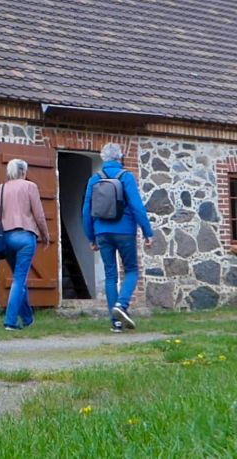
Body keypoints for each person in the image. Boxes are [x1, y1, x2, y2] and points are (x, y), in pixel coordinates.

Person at [81, 143, 154, 333]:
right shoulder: (126, 177)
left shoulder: (94, 179)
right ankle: (121, 306)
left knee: (110, 275)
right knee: (131, 270)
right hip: (124, 231)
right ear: (119, 157)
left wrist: (91, 237)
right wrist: (147, 232)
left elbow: (86, 211)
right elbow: (137, 207)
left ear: (104, 158)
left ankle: (116, 324)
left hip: (102, 232)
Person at [0, 158, 51, 331]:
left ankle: (28, 319)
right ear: (24, 171)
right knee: (19, 279)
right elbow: (39, 215)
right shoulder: (30, 186)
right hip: (25, 238)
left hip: (7, 238)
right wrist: (45, 235)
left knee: (20, 280)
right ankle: (10, 321)